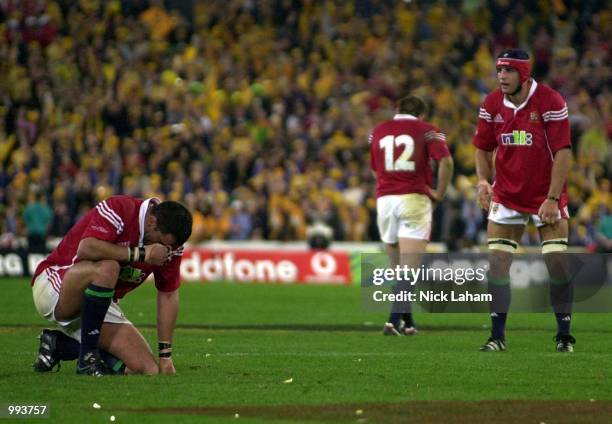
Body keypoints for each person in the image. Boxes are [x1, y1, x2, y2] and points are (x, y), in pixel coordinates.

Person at [473, 49, 575, 352]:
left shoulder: (550, 101)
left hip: (546, 196)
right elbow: (482, 147)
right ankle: (497, 336)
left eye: (509, 70)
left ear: (524, 74)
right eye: (499, 70)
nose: (502, 76)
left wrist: (553, 198)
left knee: (557, 264)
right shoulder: (491, 103)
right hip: (506, 195)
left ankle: (564, 336)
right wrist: (482, 180)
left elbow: (563, 152)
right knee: (497, 266)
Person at [31, 195, 192, 375]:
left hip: (97, 302)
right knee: (109, 267)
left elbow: (168, 294)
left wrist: (165, 357)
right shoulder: (121, 208)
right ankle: (87, 358)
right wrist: (140, 254)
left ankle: (59, 345)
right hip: (57, 284)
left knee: (147, 369)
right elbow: (86, 248)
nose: (164, 251)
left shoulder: (170, 246)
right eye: (161, 243)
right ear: (152, 222)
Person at [369, 95, 454, 336]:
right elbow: (446, 162)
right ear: (422, 115)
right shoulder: (428, 130)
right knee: (409, 269)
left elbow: (375, 169)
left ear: (397, 108)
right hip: (414, 198)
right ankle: (393, 321)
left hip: (385, 200)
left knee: (397, 269)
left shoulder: (378, 131)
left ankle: (408, 322)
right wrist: (439, 192)